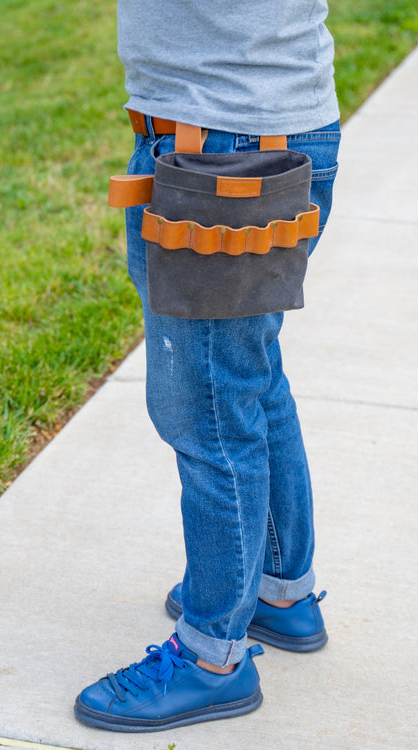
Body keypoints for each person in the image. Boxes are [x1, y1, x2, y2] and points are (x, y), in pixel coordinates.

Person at [74, 0, 341, 732]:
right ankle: (278, 593)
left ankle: (210, 657)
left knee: (211, 409)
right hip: (243, 124)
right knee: (246, 380)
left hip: (223, 143)